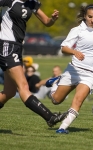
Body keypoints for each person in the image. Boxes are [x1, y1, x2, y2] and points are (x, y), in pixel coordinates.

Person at [46, 4, 93, 133]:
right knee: (55, 100)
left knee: (78, 100)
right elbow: (64, 47)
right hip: (74, 70)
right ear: (85, 16)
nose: (92, 20)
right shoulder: (77, 30)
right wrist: (74, 52)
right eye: (90, 17)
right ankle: (56, 82)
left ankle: (62, 128)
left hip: (90, 74)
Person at [0, 0, 67, 128]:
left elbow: (47, 22)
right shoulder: (9, 1)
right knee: (24, 87)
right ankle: (50, 117)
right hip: (7, 46)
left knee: (9, 92)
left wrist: (53, 19)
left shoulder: (32, 3)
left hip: (17, 48)